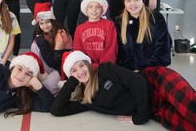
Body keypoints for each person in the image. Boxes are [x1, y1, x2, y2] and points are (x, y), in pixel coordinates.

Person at [51, 50, 196, 131]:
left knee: (191, 109)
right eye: (74, 70)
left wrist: (140, 117)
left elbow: (137, 81)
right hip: (154, 110)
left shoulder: (105, 69)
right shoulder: (86, 100)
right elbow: (57, 110)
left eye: (82, 65)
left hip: (156, 83)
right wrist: (72, 81)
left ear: (88, 64)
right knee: (188, 127)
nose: (81, 72)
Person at [114, 0, 171, 71]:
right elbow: (120, 52)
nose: (133, 4)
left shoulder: (155, 18)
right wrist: (133, 69)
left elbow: (163, 47)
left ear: (143, 1)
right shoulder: (119, 22)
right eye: (128, 1)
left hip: (154, 69)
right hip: (130, 71)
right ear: (124, 3)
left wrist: (147, 70)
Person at [30, 2, 73, 94]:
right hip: (51, 66)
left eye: (47, 22)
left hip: (63, 67)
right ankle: (37, 74)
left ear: (52, 21)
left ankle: (58, 85)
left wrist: (41, 42)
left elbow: (54, 62)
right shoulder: (45, 34)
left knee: (45, 88)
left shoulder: (61, 33)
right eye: (41, 23)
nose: (45, 26)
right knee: (35, 45)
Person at [73, 0, 118, 67]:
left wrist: (103, 67)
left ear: (102, 10)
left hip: (106, 67)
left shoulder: (109, 25)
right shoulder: (79, 29)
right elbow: (78, 50)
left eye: (98, 7)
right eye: (90, 6)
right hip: (88, 68)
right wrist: (89, 66)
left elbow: (111, 49)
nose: (94, 10)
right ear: (86, 9)